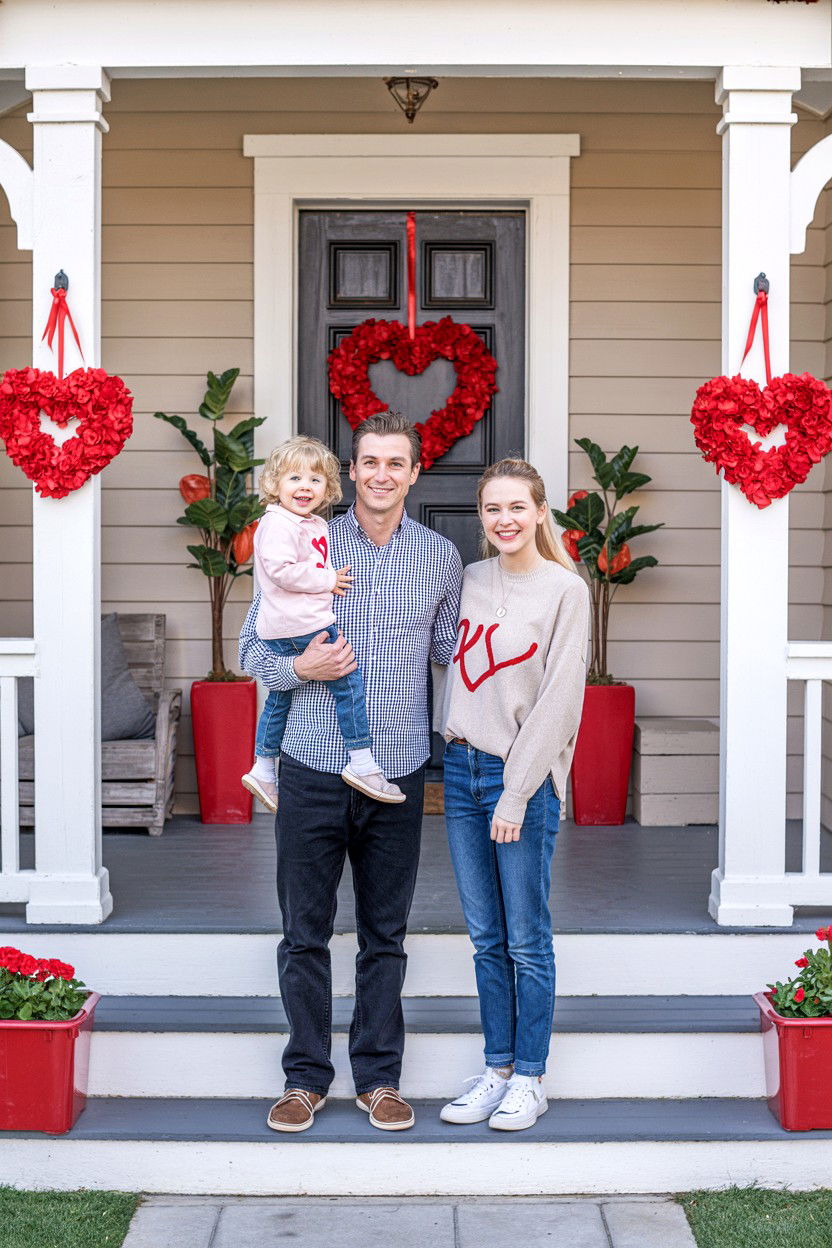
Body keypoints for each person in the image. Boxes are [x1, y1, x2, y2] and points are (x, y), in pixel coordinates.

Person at [239, 412, 462, 1134]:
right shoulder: (302, 538)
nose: (381, 475)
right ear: (353, 469)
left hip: (396, 771)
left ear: (413, 473)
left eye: (395, 463)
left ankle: (378, 1078)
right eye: (369, 462)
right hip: (309, 762)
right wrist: (296, 667)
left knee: (384, 934)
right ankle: (304, 1078)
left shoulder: (439, 558)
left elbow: (453, 653)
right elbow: (251, 649)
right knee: (304, 931)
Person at [438, 458, 589, 1132]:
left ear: (539, 512)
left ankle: (531, 1077)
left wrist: (516, 794)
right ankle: (496, 1068)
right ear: (482, 516)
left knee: (526, 938)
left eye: (517, 508)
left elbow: (560, 703)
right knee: (484, 937)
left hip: (515, 780)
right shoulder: (466, 581)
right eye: (493, 509)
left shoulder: (565, 591)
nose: (505, 520)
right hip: (462, 770)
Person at [241, 434, 405, 812]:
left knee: (279, 700)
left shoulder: (310, 524)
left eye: (314, 480)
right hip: (302, 626)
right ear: (275, 484)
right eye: (294, 478)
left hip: (292, 625)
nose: (305, 487)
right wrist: (328, 580)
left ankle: (264, 767)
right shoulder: (279, 524)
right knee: (348, 682)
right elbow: (281, 573)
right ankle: (362, 761)